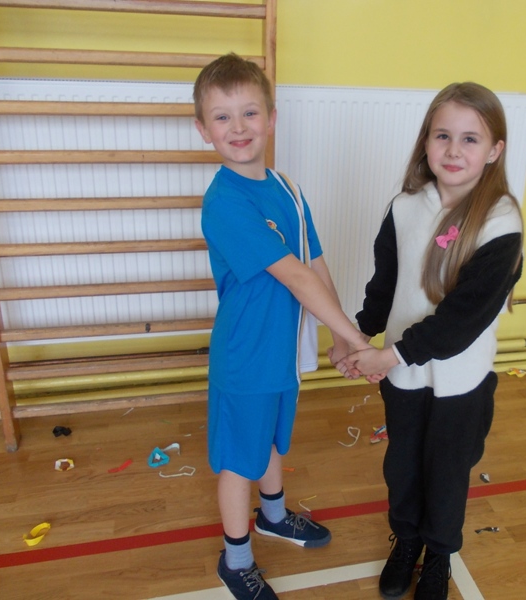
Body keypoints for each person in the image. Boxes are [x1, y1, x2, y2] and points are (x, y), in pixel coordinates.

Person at [193, 53, 371, 600]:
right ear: (203, 129)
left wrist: (340, 335)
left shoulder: (286, 188)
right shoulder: (224, 201)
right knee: (238, 460)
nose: (238, 127)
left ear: (271, 118)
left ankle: (273, 517)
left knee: (271, 441)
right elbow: (293, 275)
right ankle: (236, 559)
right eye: (222, 117)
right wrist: (358, 339)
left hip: (282, 353)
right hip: (245, 356)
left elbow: (315, 263)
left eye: (250, 112)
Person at [340, 82, 524, 600]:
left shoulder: (502, 223)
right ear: (426, 141)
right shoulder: (403, 208)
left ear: (494, 150)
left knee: (447, 475)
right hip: (404, 376)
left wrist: (387, 354)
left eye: (470, 139)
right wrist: (359, 336)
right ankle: (407, 541)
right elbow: (385, 284)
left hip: (460, 384)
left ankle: (439, 554)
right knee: (402, 466)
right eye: (442, 135)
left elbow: (460, 321)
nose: (453, 150)